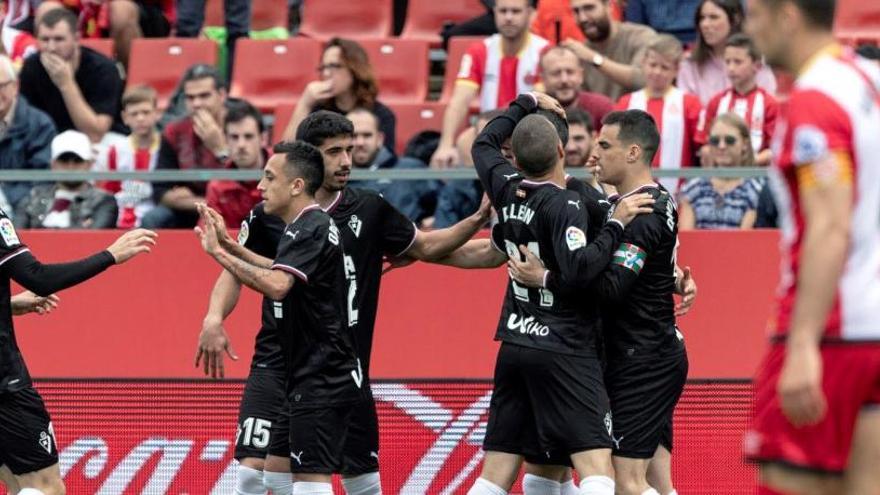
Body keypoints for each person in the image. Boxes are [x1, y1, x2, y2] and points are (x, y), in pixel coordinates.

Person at [196, 111, 491, 495]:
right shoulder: (271, 215)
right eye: (335, 151)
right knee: (257, 472)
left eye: (349, 150)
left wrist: (488, 234)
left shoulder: (368, 210)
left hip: (339, 363)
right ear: (308, 160)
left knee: (356, 476)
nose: (347, 161)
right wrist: (214, 317)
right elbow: (246, 272)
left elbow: (425, 248)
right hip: (279, 360)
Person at [463, 91, 653, 495]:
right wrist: (616, 223)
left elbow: (482, 143)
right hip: (564, 346)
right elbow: (581, 269)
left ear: (512, 156)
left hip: (514, 341)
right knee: (597, 466)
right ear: (563, 150)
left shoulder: (503, 185)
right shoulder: (568, 202)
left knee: (497, 472)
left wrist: (525, 101)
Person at [508, 109, 688, 495]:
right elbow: (651, 267)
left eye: (605, 145)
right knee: (657, 481)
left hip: (643, 361)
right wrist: (675, 280)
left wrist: (544, 278)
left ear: (633, 153)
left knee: (625, 482)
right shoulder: (640, 202)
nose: (595, 152)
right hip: (641, 352)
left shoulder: (641, 214)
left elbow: (610, 288)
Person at [742, 0, 880, 493]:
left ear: (788, 16)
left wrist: (803, 344)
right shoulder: (865, 82)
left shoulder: (814, 101)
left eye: (754, 14)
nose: (747, 27)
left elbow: (829, 227)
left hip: (833, 334)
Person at [195, 140, 364, 495]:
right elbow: (277, 268)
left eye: (269, 178)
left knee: (311, 482)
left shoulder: (310, 225)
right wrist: (229, 245)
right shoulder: (302, 226)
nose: (259, 186)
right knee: (273, 475)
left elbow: (277, 285)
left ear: (297, 185)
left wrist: (216, 254)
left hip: (324, 373)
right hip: (303, 370)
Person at [0, 220, 155, 495]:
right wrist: (110, 256)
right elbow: (38, 277)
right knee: (45, 487)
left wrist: (7, 305)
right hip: (5, 386)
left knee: (18, 484)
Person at [430, 0, 548, 168]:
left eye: (515, 11)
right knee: (464, 141)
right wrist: (445, 144)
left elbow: (541, 101)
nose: (508, 17)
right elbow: (459, 102)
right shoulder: (479, 50)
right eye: (503, 11)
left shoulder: (543, 51)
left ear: (531, 13)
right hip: (488, 129)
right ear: (494, 13)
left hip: (528, 129)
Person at [18, 7, 123, 143]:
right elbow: (23, 122)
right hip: (50, 137)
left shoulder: (103, 70)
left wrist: (66, 84)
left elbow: (95, 133)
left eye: (59, 39)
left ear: (76, 38)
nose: (51, 48)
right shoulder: (31, 66)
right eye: (45, 40)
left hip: (101, 142)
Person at [615, 34, 702, 195]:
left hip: (678, 196)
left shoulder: (690, 103)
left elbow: (701, 149)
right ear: (643, 63)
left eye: (664, 67)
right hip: (631, 195)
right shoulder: (626, 103)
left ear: (676, 70)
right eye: (653, 64)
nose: (657, 72)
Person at [146, 64, 229, 229]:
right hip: (189, 209)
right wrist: (201, 203)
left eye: (204, 96)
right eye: (190, 98)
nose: (196, 103)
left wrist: (221, 149)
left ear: (221, 95)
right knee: (153, 218)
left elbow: (250, 184)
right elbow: (160, 190)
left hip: (232, 206)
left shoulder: (241, 125)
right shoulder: (174, 132)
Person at [282, 38, 397, 152]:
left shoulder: (381, 114)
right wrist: (304, 104)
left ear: (355, 69)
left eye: (335, 66)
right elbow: (286, 156)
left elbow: (385, 164)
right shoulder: (318, 113)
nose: (326, 74)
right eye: (324, 67)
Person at [696, 33, 778, 166]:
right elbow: (703, 146)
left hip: (756, 176)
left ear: (757, 66)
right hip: (720, 176)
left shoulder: (770, 103)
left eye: (737, 62)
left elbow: (774, 150)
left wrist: (746, 163)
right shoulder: (716, 102)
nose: (731, 68)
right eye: (727, 62)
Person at [677, 0, 777, 105]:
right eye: (702, 18)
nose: (705, 24)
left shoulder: (756, 62)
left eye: (714, 17)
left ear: (735, 19)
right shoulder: (689, 66)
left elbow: (769, 104)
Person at [15, 130, 118, 229]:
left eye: (77, 160)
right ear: (53, 164)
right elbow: (17, 237)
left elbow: (95, 238)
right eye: (64, 160)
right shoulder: (33, 197)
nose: (70, 166)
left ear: (89, 164)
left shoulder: (103, 200)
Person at [679, 113, 762, 230]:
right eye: (715, 140)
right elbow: (687, 239)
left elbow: (744, 241)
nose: (721, 146)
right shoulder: (693, 188)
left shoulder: (755, 190)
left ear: (745, 144)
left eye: (729, 140)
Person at [94, 85, 161, 228]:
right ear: (125, 117)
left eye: (146, 112)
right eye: (134, 114)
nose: (140, 118)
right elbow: (111, 189)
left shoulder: (165, 147)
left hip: (156, 219)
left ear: (157, 113)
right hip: (120, 219)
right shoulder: (116, 149)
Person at [565, 0, 656, 102]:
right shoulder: (580, 53)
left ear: (609, 6)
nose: (583, 18)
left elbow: (643, 80)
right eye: (576, 11)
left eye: (589, 8)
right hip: (600, 116)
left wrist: (594, 59)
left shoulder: (640, 36)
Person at [0, 54, 56, 211]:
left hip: (22, 212)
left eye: (1, 86)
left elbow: (42, 179)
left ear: (15, 86)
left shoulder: (40, 125)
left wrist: (4, 198)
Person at [205, 101, 267, 226]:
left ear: (263, 139)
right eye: (234, 137)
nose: (241, 145)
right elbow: (212, 235)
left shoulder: (283, 174)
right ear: (226, 140)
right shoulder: (217, 186)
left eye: (248, 136)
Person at [540, 46, 614, 132]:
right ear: (543, 79)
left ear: (581, 75)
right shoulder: (531, 110)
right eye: (556, 73)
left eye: (570, 72)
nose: (564, 80)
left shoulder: (602, 108)